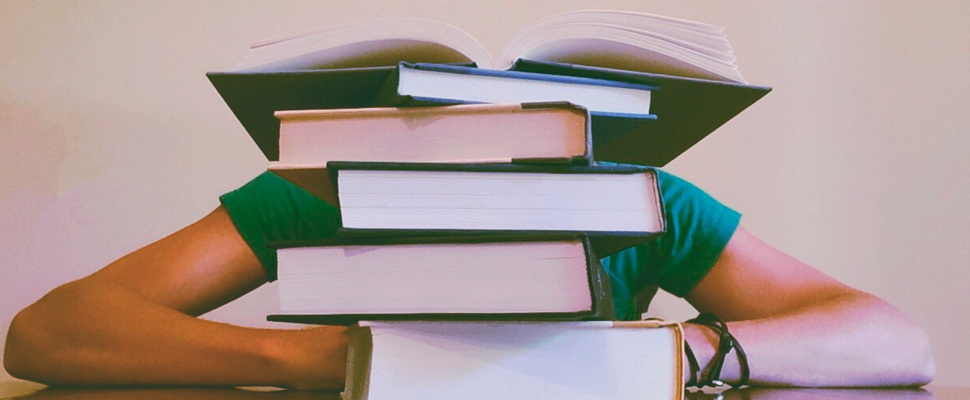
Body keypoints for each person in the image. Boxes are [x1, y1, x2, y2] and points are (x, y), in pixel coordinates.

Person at [3, 169, 934, 390]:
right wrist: (331, 361)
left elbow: (896, 340)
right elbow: (48, 331)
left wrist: (685, 353)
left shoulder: (638, 204)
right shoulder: (320, 192)